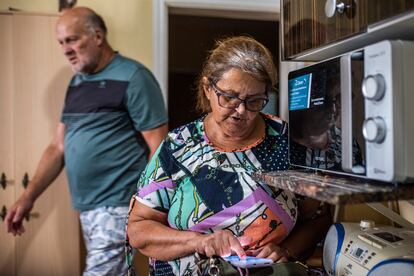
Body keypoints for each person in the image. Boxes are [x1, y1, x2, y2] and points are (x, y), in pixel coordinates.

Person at [126, 36, 331, 275]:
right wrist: (200, 242)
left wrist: (285, 251)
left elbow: (318, 219)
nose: (241, 111)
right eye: (230, 97)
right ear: (208, 89)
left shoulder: (288, 142)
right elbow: (139, 230)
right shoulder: (179, 147)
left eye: (255, 101)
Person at [4, 7, 168, 275]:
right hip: (87, 207)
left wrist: (144, 205)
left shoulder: (134, 77)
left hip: (117, 204)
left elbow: (158, 146)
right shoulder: (77, 83)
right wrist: (28, 197)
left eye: (72, 39)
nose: (65, 49)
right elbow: (58, 147)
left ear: (97, 36)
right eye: (61, 42)